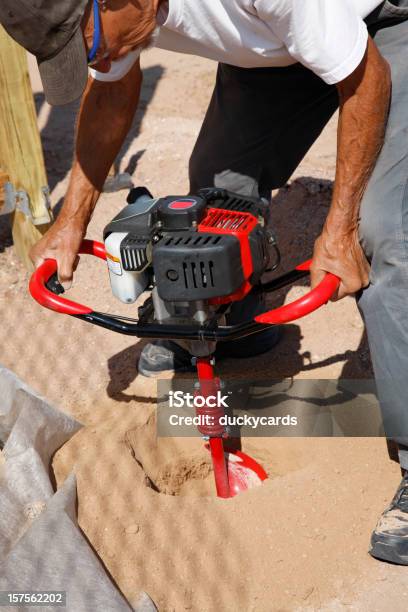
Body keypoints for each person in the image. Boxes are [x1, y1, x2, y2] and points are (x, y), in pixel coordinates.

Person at [2, 0, 408, 564]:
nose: (99, 60)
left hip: (382, 31)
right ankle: (227, 333)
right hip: (278, 42)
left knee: (391, 233)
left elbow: (363, 78)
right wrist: (71, 222)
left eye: (90, 45)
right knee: (216, 196)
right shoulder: (111, 18)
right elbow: (115, 90)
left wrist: (339, 228)